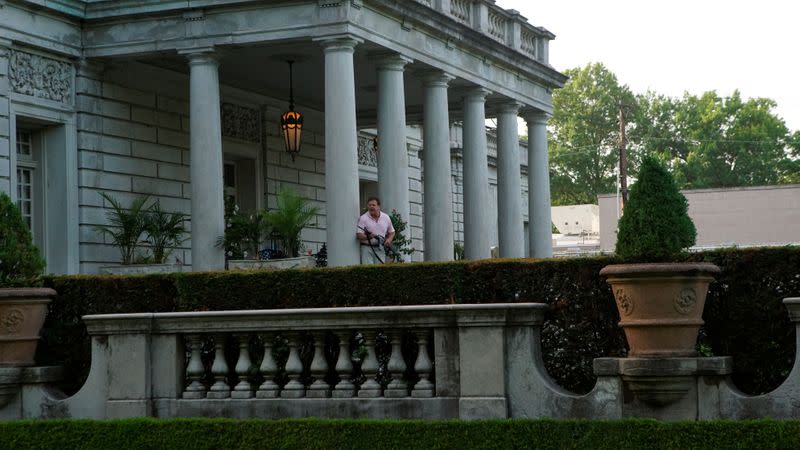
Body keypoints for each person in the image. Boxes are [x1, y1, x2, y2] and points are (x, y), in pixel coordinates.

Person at [356, 196, 395, 264]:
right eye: (369, 205)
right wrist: (368, 237)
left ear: (378, 206)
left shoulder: (386, 217)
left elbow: (392, 232)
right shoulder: (363, 218)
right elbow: (359, 235)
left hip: (380, 248)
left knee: (380, 270)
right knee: (368, 271)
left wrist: (389, 240)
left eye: (373, 205)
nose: (371, 207)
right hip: (366, 248)